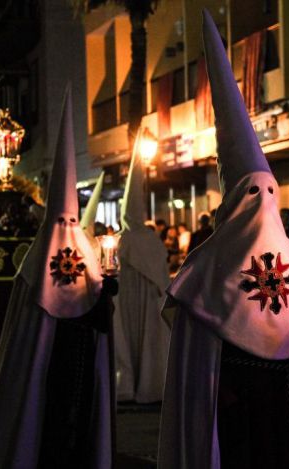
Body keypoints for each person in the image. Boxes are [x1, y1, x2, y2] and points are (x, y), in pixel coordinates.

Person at [158, 12, 289, 468]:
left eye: (269, 191)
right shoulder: (204, 269)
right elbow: (196, 368)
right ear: (231, 201)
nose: (261, 202)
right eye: (250, 193)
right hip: (234, 418)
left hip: (288, 410)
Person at [0, 90, 116, 468]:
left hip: (80, 359)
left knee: (77, 425)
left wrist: (104, 290)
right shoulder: (35, 264)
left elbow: (99, 318)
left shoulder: (87, 259)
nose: (68, 229)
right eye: (61, 222)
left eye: (73, 221)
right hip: (46, 363)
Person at [114, 129, 171, 404]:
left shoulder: (122, 240)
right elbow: (161, 272)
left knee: (132, 341)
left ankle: (132, 383)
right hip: (146, 300)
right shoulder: (148, 239)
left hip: (130, 299)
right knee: (147, 344)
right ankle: (146, 384)